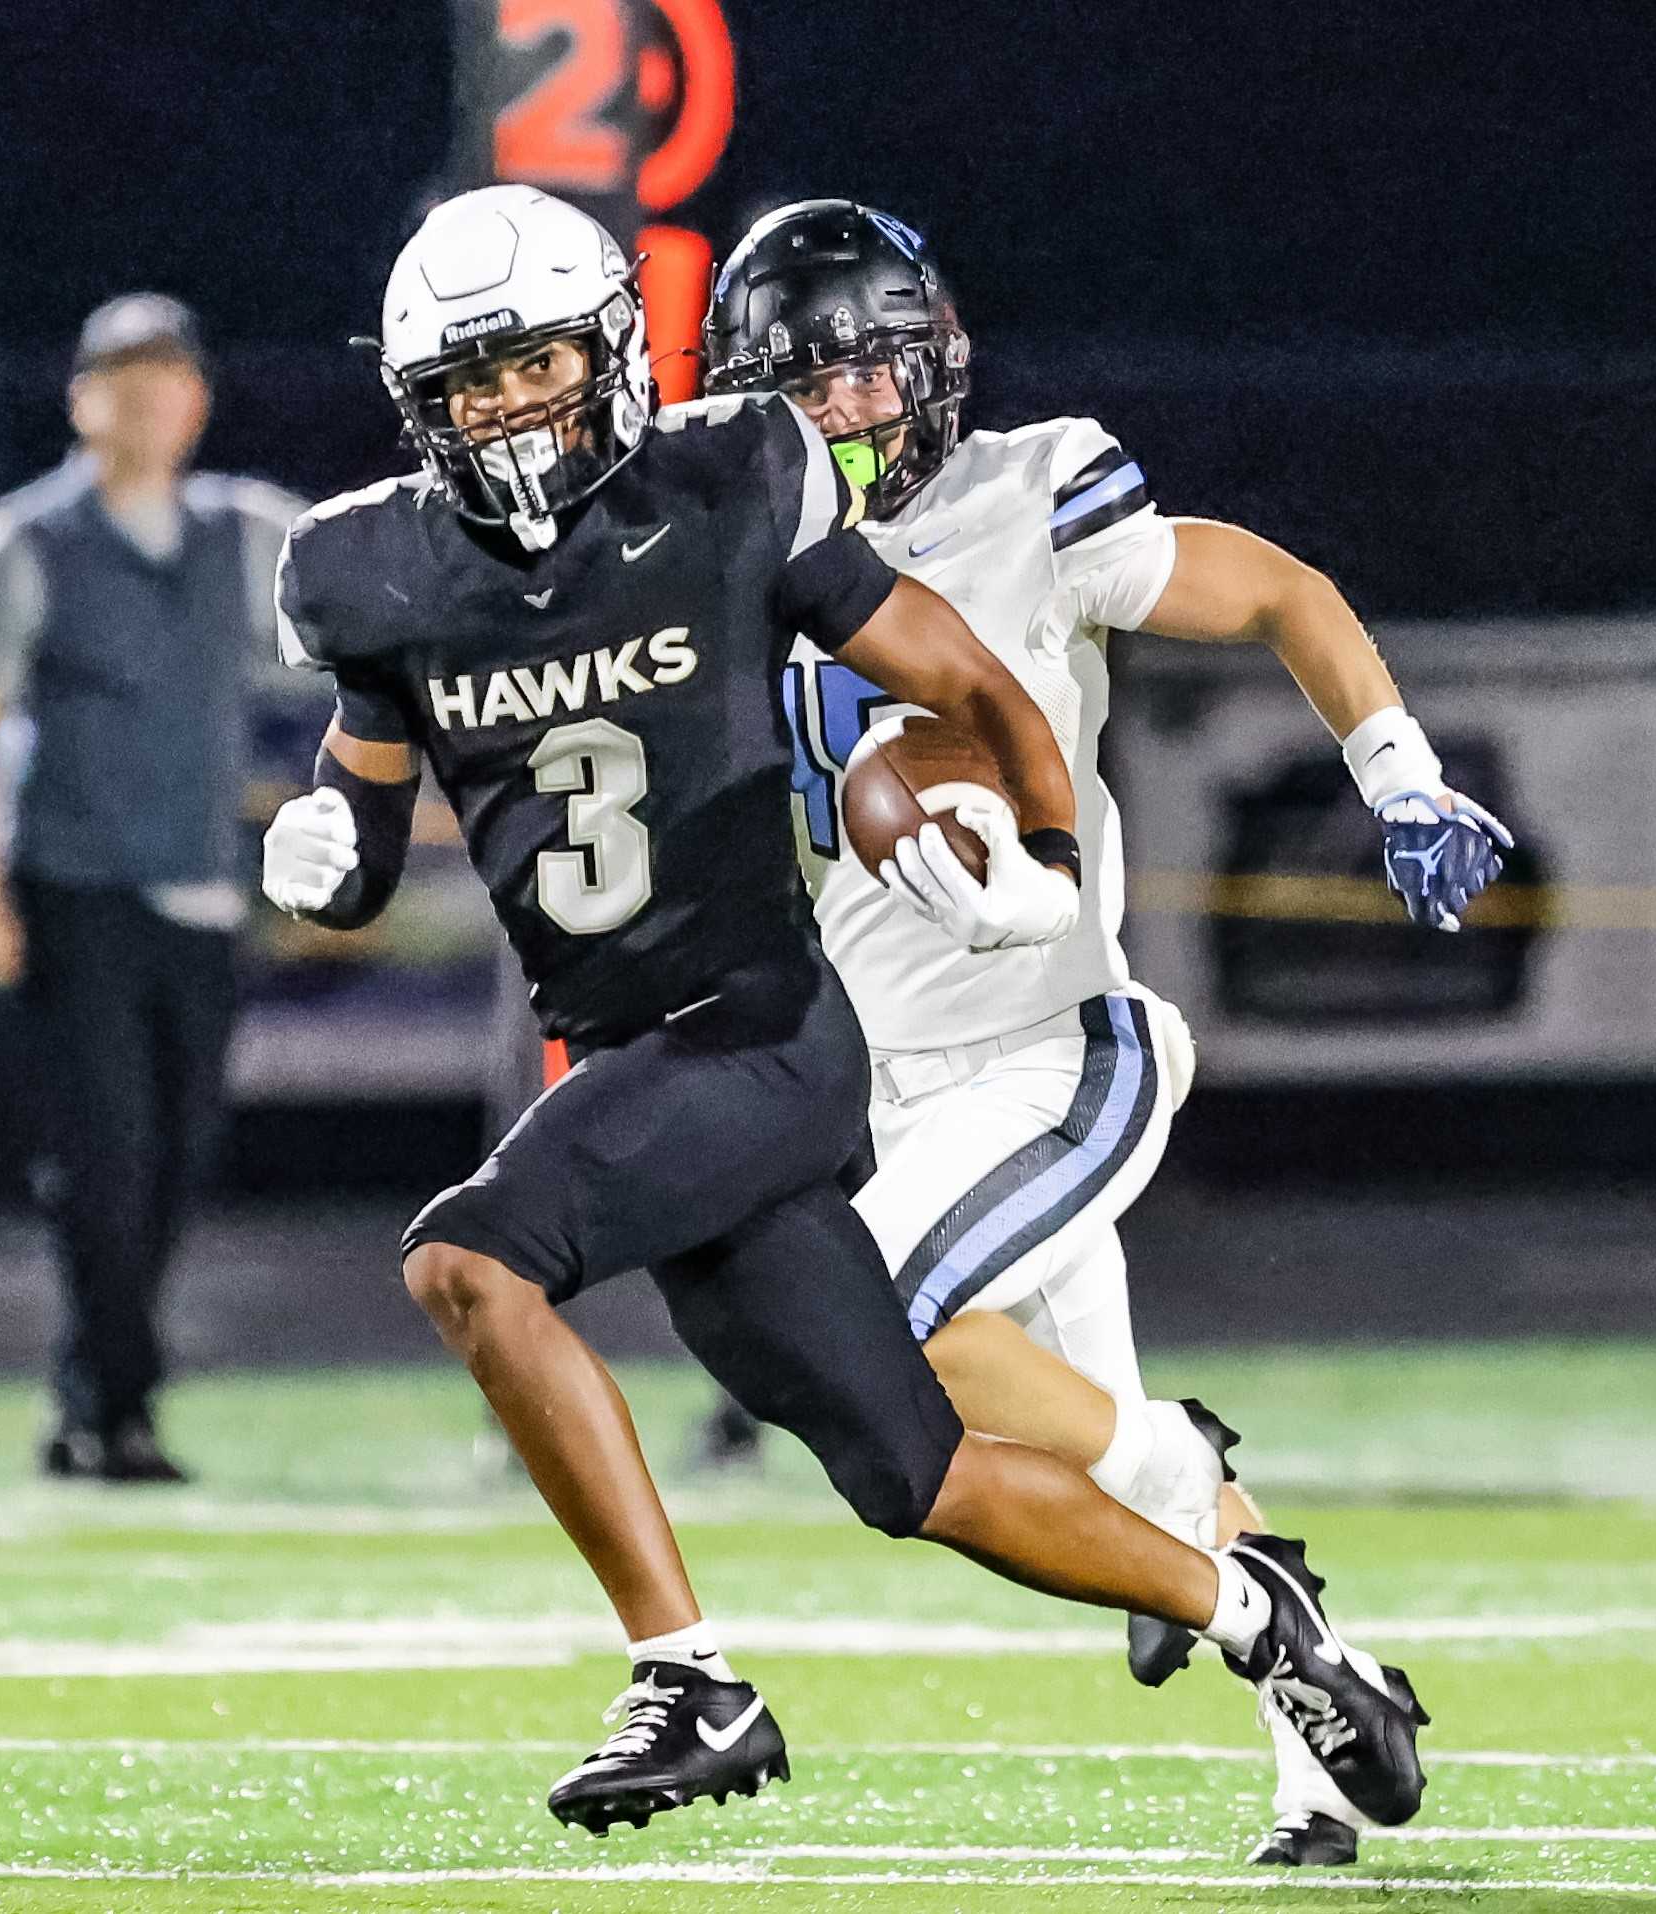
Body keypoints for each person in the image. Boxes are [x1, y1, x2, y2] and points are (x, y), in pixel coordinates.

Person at [259, 184, 1430, 1839]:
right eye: (470, 383)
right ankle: (1265, 1622)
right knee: (923, 1472)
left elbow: (973, 683)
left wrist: (1041, 850)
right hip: (747, 1054)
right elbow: (361, 819)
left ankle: (690, 1675)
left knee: (472, 1251)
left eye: (535, 365)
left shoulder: (743, 488)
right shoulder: (367, 571)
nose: (510, 408)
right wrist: (324, 860)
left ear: (606, 356)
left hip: (787, 1033)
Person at [701, 200, 1506, 1867]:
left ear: (930, 358)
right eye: (799, 379)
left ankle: (1170, 1462)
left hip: (1053, 1044)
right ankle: (1319, 1733)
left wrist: (1399, 775)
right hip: (886, 1081)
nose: (839, 406)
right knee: (1083, 1440)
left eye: (863, 366)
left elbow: (1279, 589)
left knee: (890, 1336)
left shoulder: (1031, 490)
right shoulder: (731, 545)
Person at [0, 294, 302, 1483]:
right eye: (124, 379)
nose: (150, 401)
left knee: (178, 1160)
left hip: (202, 897)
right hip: (76, 886)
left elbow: (369, 595)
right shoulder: (24, 540)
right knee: (107, 1157)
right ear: (81, 399)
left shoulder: (240, 529)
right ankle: (115, 1406)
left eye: (171, 377)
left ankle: (93, 1391)